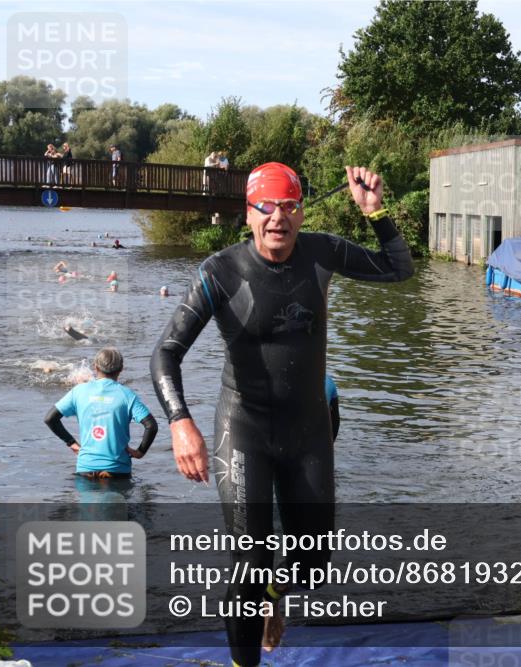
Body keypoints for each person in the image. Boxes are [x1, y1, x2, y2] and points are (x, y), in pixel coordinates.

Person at [150, 162, 413, 667]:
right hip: (243, 428)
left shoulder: (322, 252)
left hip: (308, 428)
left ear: (300, 212)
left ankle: (273, 597)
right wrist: (181, 423)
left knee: (312, 564)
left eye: (289, 207)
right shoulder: (219, 272)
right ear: (248, 213)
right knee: (249, 564)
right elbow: (165, 353)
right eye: (266, 208)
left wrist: (375, 212)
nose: (279, 219)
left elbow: (398, 268)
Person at [44, 348, 157, 479]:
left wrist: (71, 443)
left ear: (95, 367)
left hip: (86, 469)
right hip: (117, 471)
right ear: (121, 369)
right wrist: (140, 452)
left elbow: (50, 418)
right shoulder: (127, 395)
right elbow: (151, 425)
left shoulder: (79, 391)